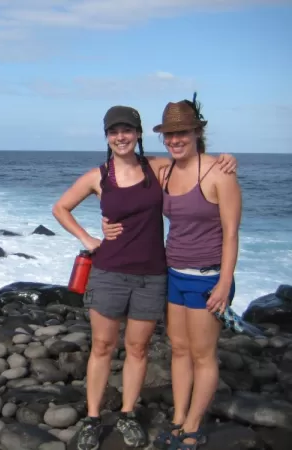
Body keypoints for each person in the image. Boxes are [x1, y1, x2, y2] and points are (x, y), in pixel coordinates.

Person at [51, 105, 237, 450]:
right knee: (103, 347)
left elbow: (196, 163)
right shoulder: (98, 176)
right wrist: (89, 238)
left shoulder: (157, 168)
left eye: (127, 130)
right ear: (107, 137)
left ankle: (127, 413)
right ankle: (93, 418)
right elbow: (60, 207)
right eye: (113, 131)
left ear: (138, 135)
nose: (120, 137)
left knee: (138, 349)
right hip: (108, 272)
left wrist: (226, 159)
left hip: (153, 274)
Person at [102, 95, 242, 449]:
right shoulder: (163, 171)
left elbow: (231, 234)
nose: (176, 140)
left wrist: (224, 283)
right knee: (179, 349)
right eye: (169, 134)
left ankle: (193, 429)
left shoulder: (219, 174)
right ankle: (179, 418)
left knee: (202, 355)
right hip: (172, 273)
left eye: (183, 132)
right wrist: (106, 223)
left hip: (207, 276)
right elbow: (125, 174)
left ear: (197, 131)